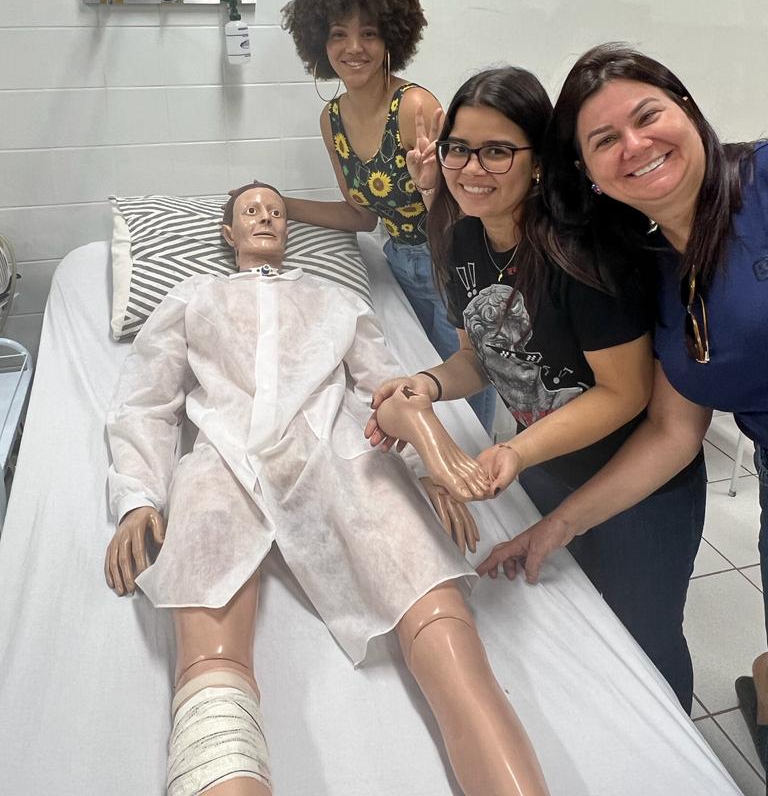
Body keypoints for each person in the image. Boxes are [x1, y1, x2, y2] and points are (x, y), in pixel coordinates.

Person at [104, 180, 549, 796]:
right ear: (229, 233)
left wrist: (428, 469)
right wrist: (138, 497)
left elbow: (387, 386)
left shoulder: (337, 301)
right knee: (211, 664)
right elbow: (147, 402)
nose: (266, 217)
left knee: (444, 626)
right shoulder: (193, 297)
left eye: (276, 211)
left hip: (341, 453)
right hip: (225, 457)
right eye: (251, 211)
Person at [370, 65, 707, 712]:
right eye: (459, 149)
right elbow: (477, 358)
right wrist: (426, 384)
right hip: (550, 469)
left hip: (642, 485)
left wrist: (517, 451)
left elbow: (625, 393)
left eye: (497, 151)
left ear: (539, 164)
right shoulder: (461, 239)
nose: (472, 168)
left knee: (646, 641)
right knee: (575, 626)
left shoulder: (579, 254)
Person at [477, 43, 767, 749]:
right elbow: (672, 431)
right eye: (605, 140)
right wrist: (556, 527)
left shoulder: (761, 183)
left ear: (688, 111)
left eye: (648, 116)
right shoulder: (652, 270)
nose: (634, 146)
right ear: (588, 174)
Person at [281, 0, 495, 430]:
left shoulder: (413, 106)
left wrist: (430, 187)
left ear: (391, 39)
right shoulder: (331, 119)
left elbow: (466, 210)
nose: (353, 48)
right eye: (338, 34)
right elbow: (361, 215)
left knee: (466, 394)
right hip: (399, 262)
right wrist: (283, 205)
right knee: (423, 382)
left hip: (451, 260)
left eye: (369, 33)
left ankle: (482, 466)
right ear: (319, 42)